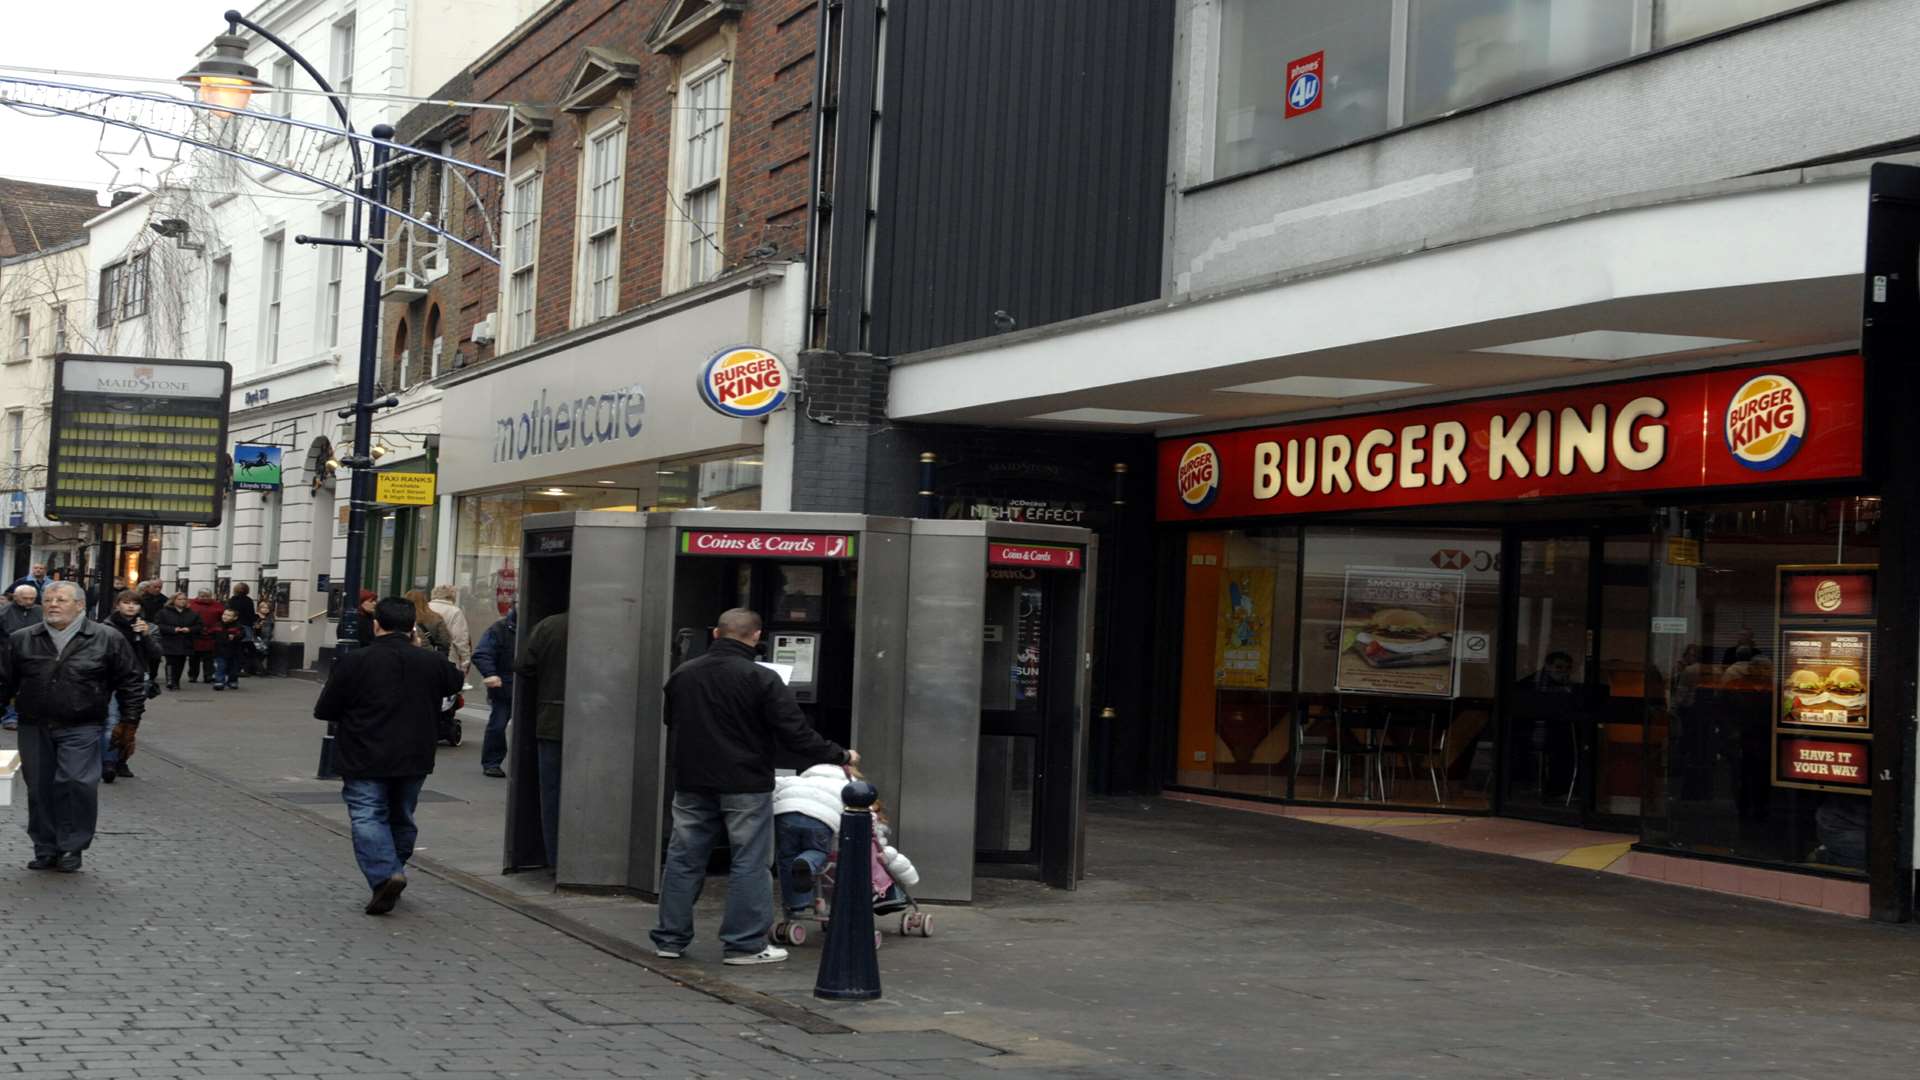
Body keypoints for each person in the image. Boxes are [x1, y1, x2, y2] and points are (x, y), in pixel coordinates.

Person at [650, 608, 856, 966]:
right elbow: (795, 733)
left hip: (692, 780)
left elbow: (672, 720)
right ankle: (743, 944)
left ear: (716, 634)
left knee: (684, 858)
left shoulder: (683, 674)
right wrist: (840, 754)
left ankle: (670, 939)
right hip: (745, 781)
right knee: (750, 861)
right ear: (756, 636)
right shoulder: (762, 678)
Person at [311, 596, 464, 915]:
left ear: (376, 624)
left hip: (364, 752)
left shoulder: (354, 661)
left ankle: (385, 873)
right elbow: (455, 681)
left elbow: (325, 709)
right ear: (412, 628)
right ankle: (392, 867)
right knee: (401, 815)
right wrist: (422, 648)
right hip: (414, 753)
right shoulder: (431, 662)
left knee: (368, 814)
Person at [0, 581, 146, 872]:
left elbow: (131, 680)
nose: (53, 604)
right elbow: (4, 682)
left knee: (75, 783)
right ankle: (45, 847)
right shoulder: (22, 639)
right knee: (39, 787)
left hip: (82, 723)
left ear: (80, 605)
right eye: (49, 599)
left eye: (61, 600)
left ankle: (71, 847)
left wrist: (129, 722)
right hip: (34, 724)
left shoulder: (107, 638)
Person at [517, 612, 568, 866]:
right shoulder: (616, 623)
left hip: (553, 718)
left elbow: (525, 665)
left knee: (553, 793)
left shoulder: (548, 625)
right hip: (608, 720)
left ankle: (555, 859)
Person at [101, 590, 160, 782]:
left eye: (135, 603)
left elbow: (156, 654)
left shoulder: (148, 627)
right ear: (117, 605)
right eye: (126, 603)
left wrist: (145, 635)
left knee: (130, 722)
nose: (131, 606)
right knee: (111, 720)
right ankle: (108, 762)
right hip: (113, 679)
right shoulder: (106, 627)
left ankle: (121, 760)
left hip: (137, 679)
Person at [470, 605, 517, 779]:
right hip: (504, 687)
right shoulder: (499, 628)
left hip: (509, 684)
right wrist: (491, 674)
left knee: (499, 725)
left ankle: (494, 762)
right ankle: (492, 762)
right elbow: (482, 654)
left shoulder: (504, 628)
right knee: (497, 726)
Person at [0, 585, 42, 731]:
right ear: (16, 597)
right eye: (25, 598)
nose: (29, 602)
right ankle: (10, 716)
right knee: (11, 686)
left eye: (32, 598)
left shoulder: (40, 611)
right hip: (8, 655)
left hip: (36, 655)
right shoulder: (4, 612)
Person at [153, 592, 200, 690]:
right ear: (173, 600)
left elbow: (199, 626)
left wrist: (189, 629)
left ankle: (176, 681)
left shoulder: (192, 613)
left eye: (184, 599)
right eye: (179, 599)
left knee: (180, 662)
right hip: (169, 640)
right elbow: (158, 625)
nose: (182, 601)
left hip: (185, 641)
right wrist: (173, 629)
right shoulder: (164, 612)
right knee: (170, 661)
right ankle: (170, 681)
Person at [428, 585, 472, 672]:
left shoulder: (425, 608)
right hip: (448, 656)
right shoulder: (455, 612)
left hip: (425, 654)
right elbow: (460, 638)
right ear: (452, 596)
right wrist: (465, 659)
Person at [186, 590, 224, 683]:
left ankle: (208, 675)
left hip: (211, 634)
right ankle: (193, 675)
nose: (205, 598)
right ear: (198, 596)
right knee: (194, 657)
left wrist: (215, 629)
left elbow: (222, 619)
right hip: (195, 634)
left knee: (209, 657)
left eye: (207, 596)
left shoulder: (217, 605)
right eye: (202, 596)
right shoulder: (191, 604)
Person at [405, 589, 452, 657]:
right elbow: (445, 642)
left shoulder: (401, 617)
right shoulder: (436, 618)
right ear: (425, 601)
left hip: (406, 656)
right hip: (428, 657)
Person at [210, 607, 246, 690]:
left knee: (233, 668)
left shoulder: (238, 626)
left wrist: (235, 636)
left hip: (234, 651)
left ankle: (232, 681)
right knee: (221, 666)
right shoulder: (217, 625)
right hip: (220, 651)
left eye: (229, 615)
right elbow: (211, 634)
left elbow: (242, 635)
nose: (225, 616)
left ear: (235, 617)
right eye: (224, 614)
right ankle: (219, 682)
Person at [227, 583, 258, 675]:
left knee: (236, 647)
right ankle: (245, 668)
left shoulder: (232, 600)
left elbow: (229, 612)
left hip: (234, 626)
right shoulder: (248, 600)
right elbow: (251, 614)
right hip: (246, 626)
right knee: (246, 648)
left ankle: (236, 667)